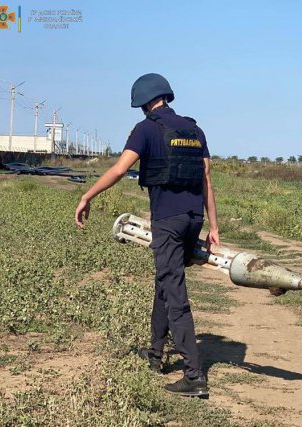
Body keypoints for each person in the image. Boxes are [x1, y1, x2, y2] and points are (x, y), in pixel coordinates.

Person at [74, 73, 219, 398]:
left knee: (176, 294)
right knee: (164, 284)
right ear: (166, 95)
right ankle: (155, 355)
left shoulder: (146, 129)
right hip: (193, 218)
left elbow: (119, 169)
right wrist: (214, 226)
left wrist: (88, 196)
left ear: (141, 103)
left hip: (167, 222)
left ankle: (194, 377)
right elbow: (207, 177)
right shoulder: (194, 129)